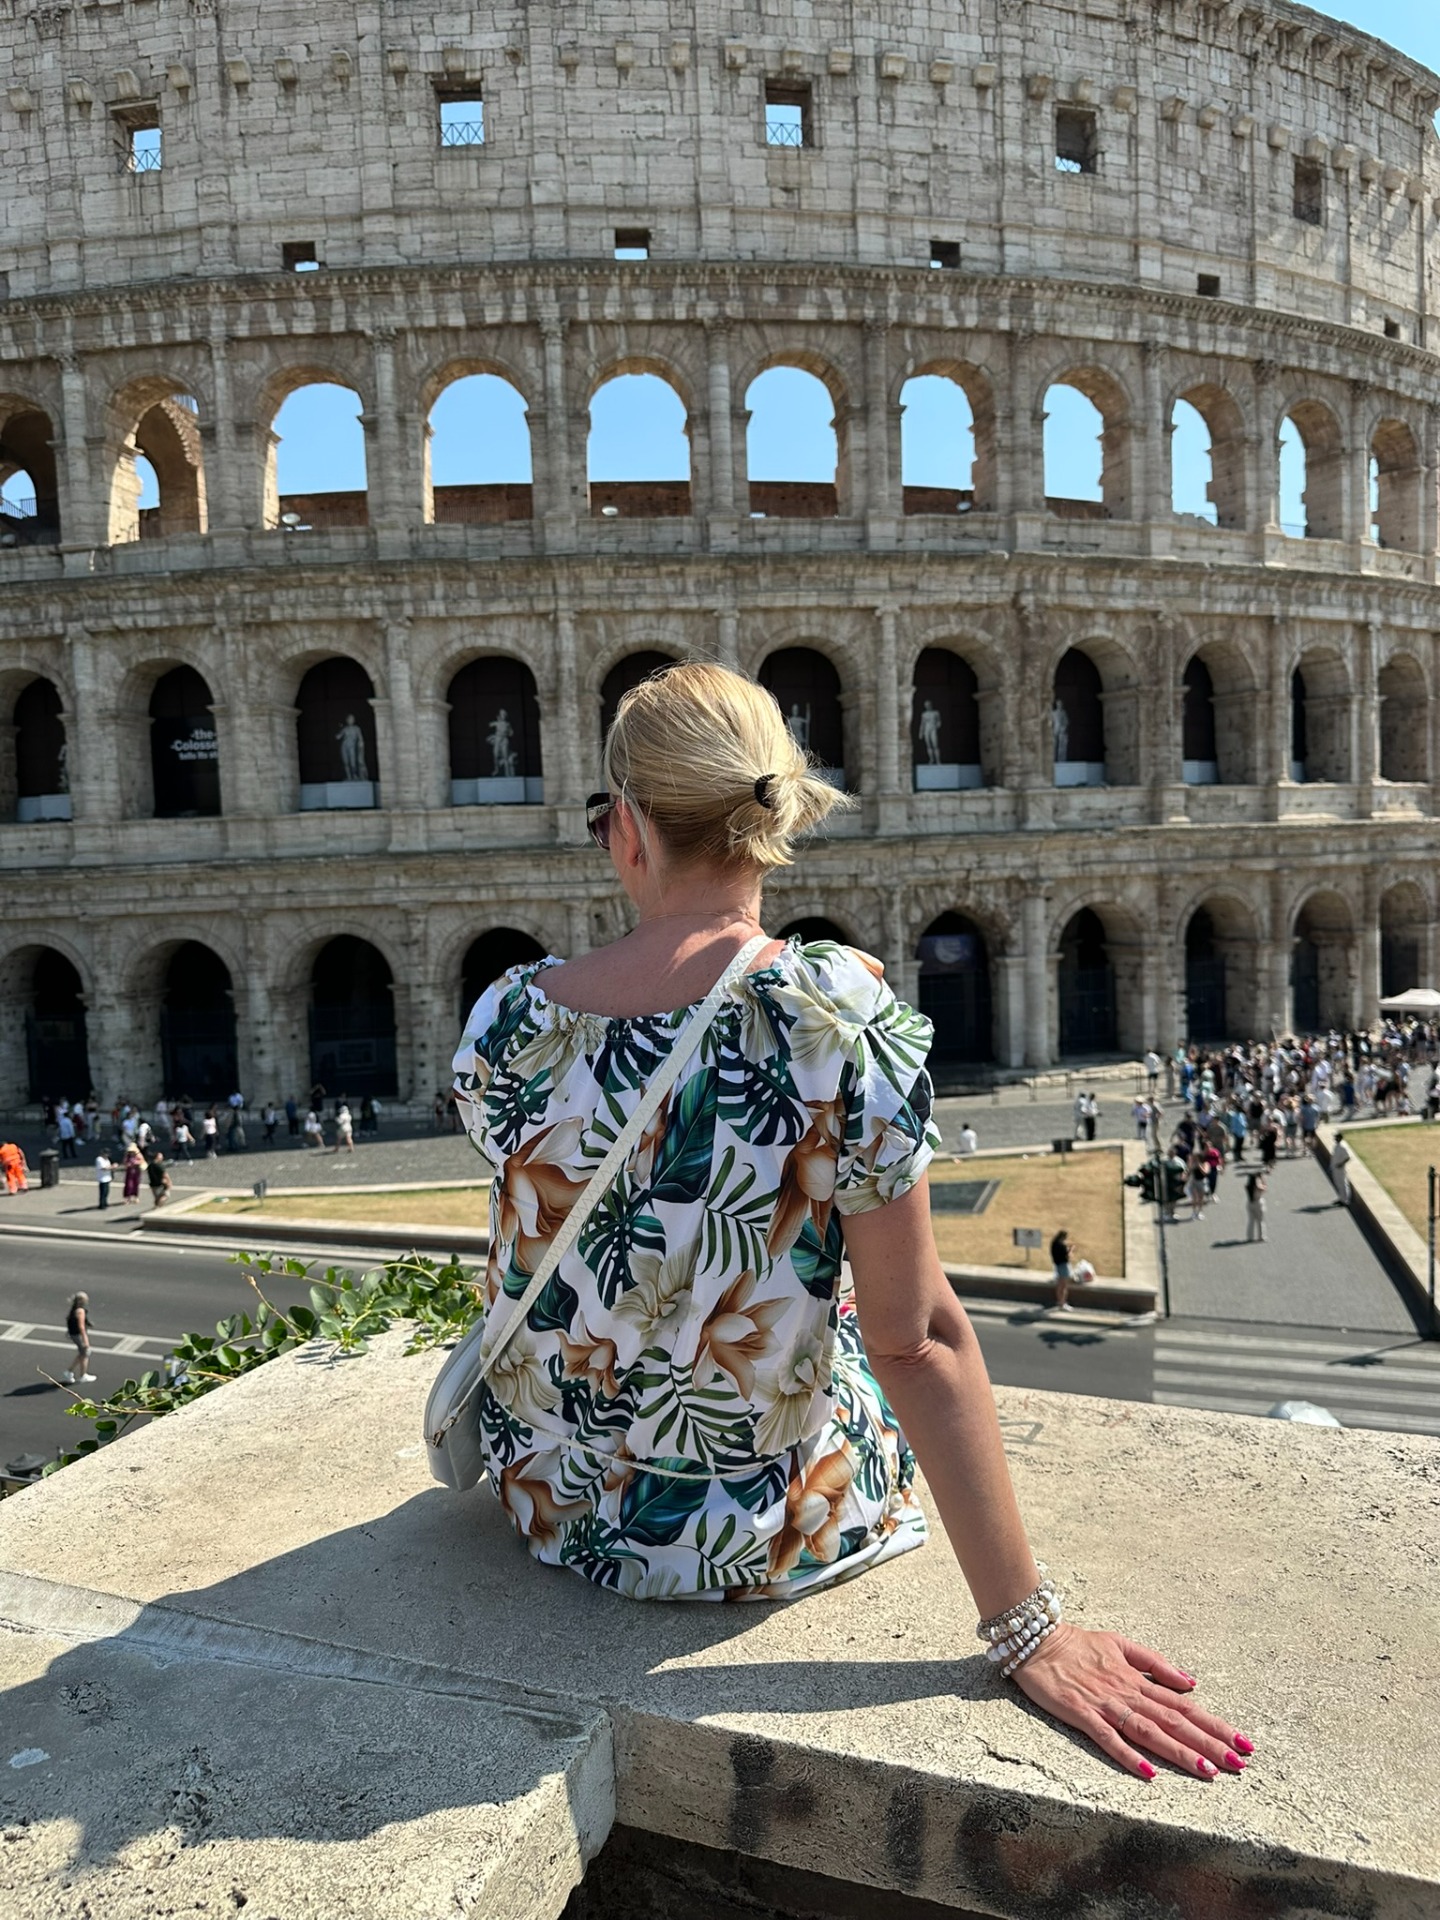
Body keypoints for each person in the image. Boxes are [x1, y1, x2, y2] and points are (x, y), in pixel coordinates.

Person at [451, 662, 1247, 1778]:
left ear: (627, 827)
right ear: (774, 817)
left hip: (555, 1503)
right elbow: (914, 1340)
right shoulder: (836, 1018)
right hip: (760, 1530)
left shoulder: (508, 1015)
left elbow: (582, 1216)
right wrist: (1029, 1628)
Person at [61, 1292, 96, 1385]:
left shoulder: (74, 1309)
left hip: (74, 1334)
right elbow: (81, 1327)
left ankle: (70, 1372)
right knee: (85, 1353)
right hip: (78, 1335)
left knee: (82, 1353)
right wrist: (85, 1340)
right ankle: (82, 1375)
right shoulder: (80, 1311)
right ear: (81, 1301)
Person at [1330, 1131, 1353, 1207]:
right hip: (1335, 1167)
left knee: (1343, 1184)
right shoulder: (1337, 1145)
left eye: (1336, 1137)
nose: (1334, 1138)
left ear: (1339, 1138)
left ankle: (1345, 1200)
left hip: (1340, 1168)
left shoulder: (1343, 1146)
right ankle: (1341, 1198)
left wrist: (1341, 1164)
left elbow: (1348, 1157)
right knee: (1338, 1183)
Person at [1244, 1170, 1267, 1244]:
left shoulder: (1248, 1186)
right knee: (1260, 1220)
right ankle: (1261, 1236)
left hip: (1250, 1203)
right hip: (1258, 1203)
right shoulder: (1258, 1187)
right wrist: (1262, 1179)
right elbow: (1264, 1188)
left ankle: (1250, 1237)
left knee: (1251, 1221)